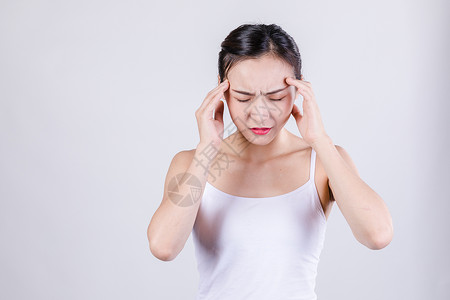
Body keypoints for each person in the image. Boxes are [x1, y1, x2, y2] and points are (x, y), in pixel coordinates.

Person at [147, 23, 393, 300]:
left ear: (299, 89)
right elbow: (163, 247)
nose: (260, 114)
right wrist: (207, 149)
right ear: (221, 90)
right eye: (243, 97)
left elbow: (378, 235)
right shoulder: (191, 162)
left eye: (276, 97)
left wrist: (320, 140)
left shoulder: (323, 161)